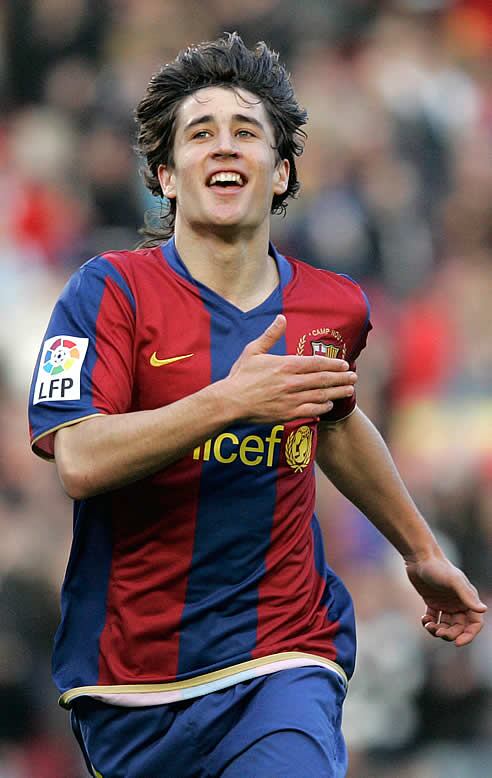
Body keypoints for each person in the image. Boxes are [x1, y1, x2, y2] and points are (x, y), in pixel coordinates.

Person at [28, 33, 486, 778]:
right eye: (200, 134)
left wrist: (422, 552)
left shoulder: (334, 307)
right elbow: (79, 459)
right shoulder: (105, 293)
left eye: (246, 133)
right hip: (131, 682)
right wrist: (228, 401)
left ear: (281, 174)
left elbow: (334, 419)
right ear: (166, 175)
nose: (224, 147)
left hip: (285, 652)